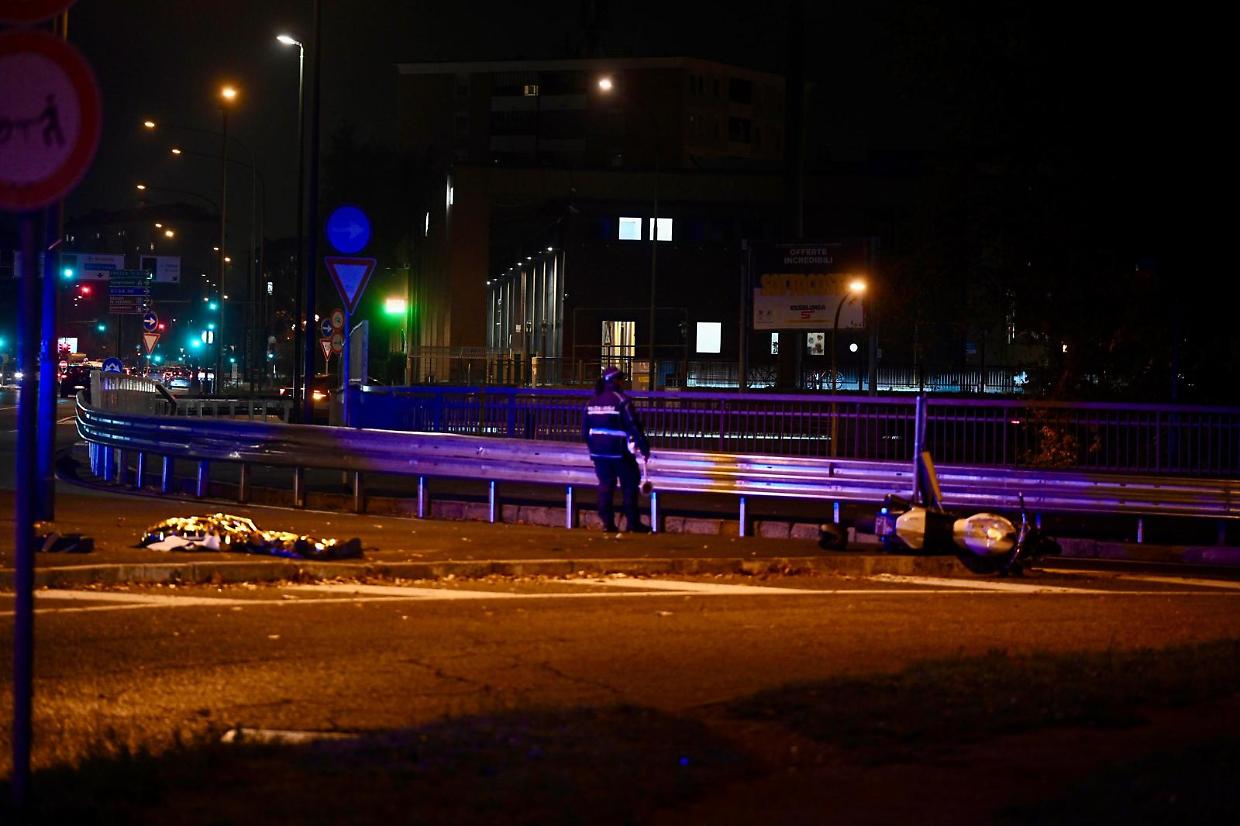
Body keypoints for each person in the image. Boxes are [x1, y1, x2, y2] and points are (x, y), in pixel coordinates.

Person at [583, 366, 651, 532]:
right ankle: (632, 523)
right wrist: (644, 447)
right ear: (615, 381)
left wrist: (593, 448)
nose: (623, 382)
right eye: (621, 379)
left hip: (599, 453)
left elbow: (585, 431)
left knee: (605, 486)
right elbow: (633, 425)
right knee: (630, 483)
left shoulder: (591, 403)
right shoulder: (622, 401)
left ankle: (608, 523)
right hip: (619, 452)